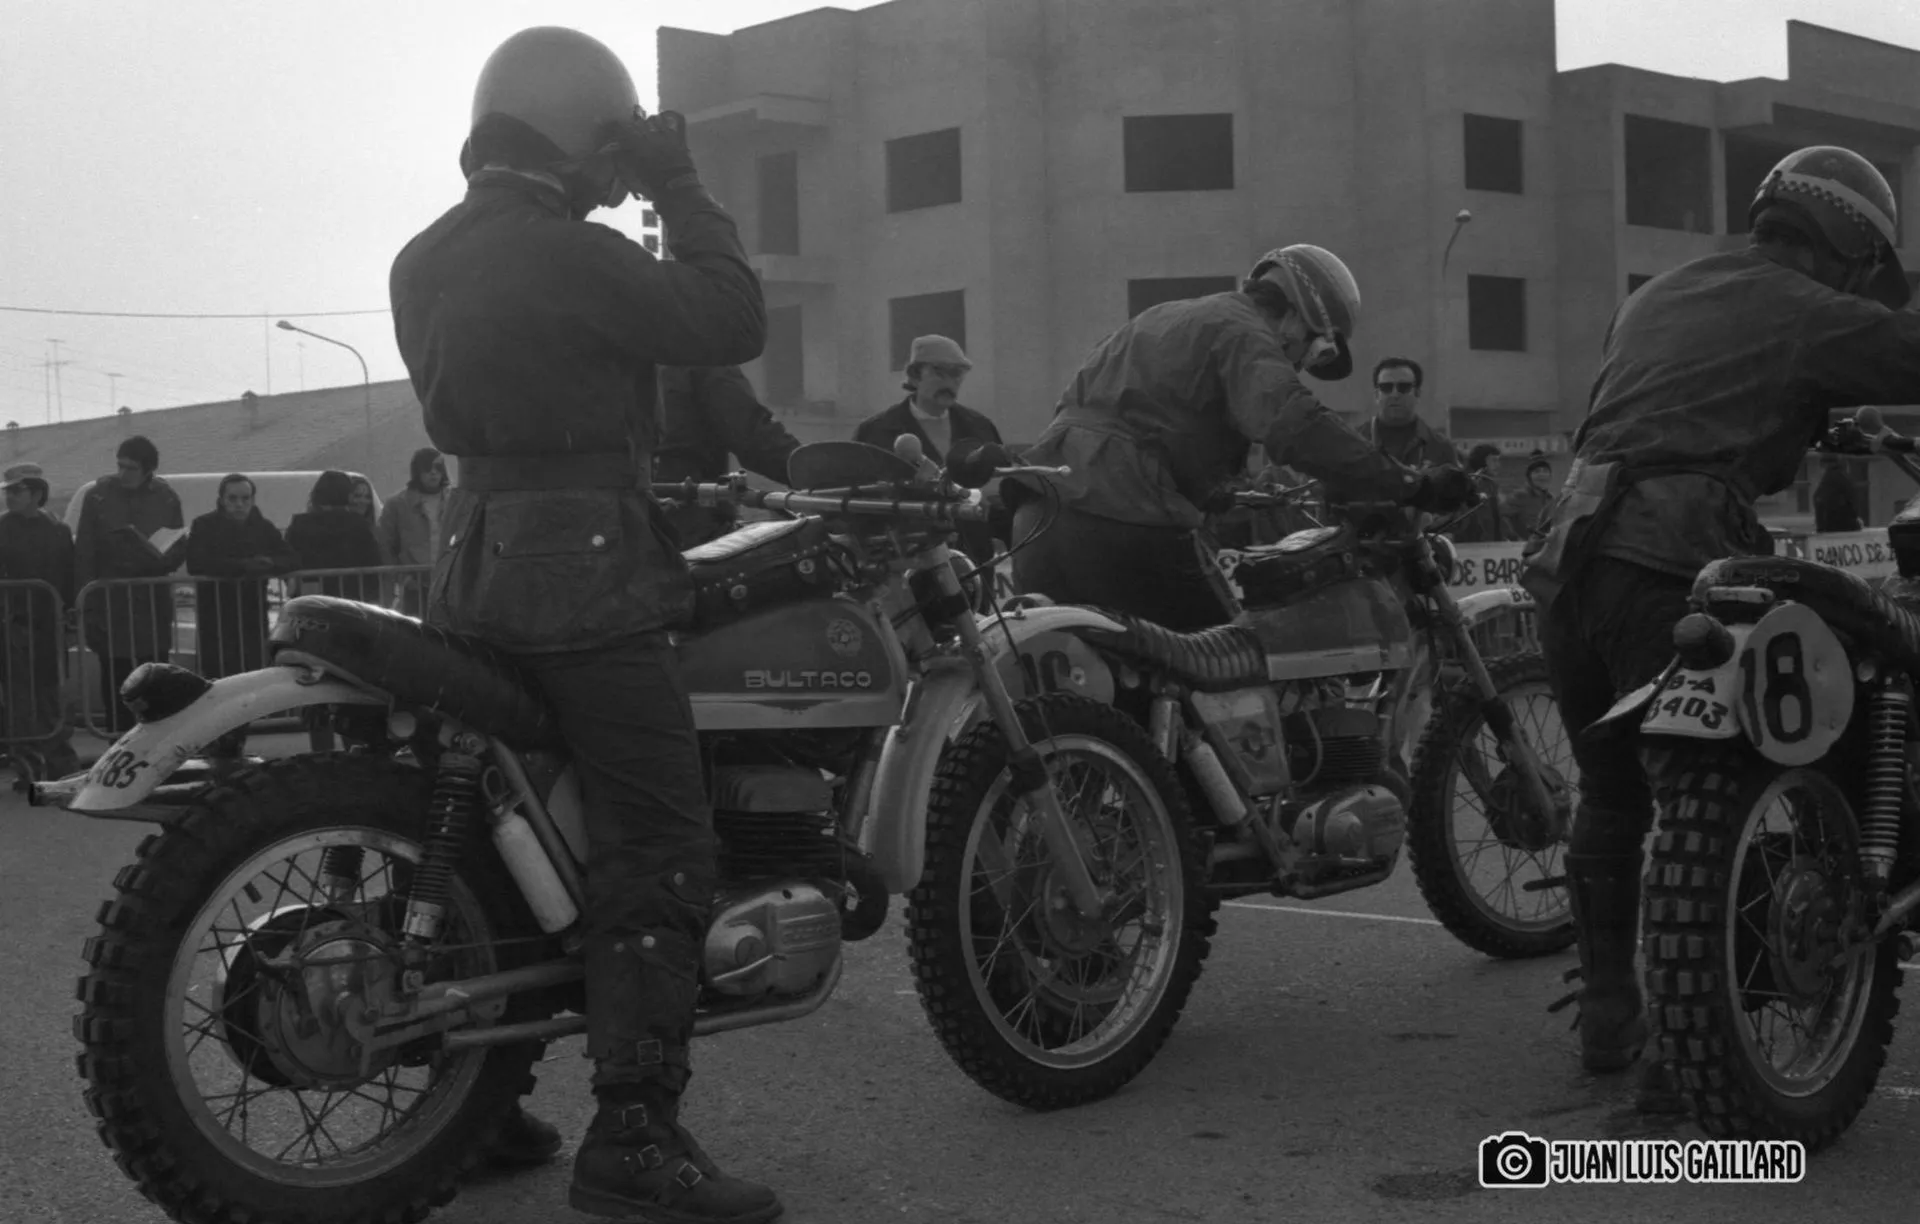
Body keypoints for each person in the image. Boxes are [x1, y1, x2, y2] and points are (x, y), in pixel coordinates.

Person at [388, 26, 777, 1223]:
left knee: (503, 828)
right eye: (610, 150)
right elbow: (732, 316)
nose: (616, 173)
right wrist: (678, 181)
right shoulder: (572, 253)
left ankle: (473, 1096)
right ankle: (636, 1132)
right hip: (585, 575)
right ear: (577, 134)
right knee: (656, 841)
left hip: (472, 563)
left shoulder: (424, 257)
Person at [1517, 145, 1920, 1114]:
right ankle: (1694, 1043)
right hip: (1676, 550)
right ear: (1850, 245)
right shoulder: (1802, 305)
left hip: (1572, 557)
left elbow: (1679, 400)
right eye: (1865, 271)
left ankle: (1611, 1013)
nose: (1859, 289)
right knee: (1735, 782)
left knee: (1612, 792)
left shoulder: (1660, 294)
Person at [1005, 244, 1473, 631]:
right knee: (1236, 667)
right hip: (1123, 516)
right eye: (1312, 351)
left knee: (1098, 692)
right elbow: (1297, 426)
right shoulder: (1243, 332)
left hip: (1039, 517)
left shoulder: (1164, 318)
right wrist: (1411, 484)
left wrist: (1216, 491)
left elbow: (1122, 421)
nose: (1297, 365)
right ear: (1296, 317)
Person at [852, 335, 1009, 568]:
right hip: (906, 562)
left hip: (974, 562)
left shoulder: (979, 427)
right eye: (939, 372)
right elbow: (861, 504)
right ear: (915, 375)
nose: (950, 383)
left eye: (957, 374)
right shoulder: (876, 432)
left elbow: (1003, 494)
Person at [74, 436, 183, 735]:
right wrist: (85, 602)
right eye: (120, 466)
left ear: (148, 470)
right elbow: (84, 552)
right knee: (116, 678)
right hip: (110, 602)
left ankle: (158, 742)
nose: (123, 473)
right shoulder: (98, 496)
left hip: (151, 600)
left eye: (131, 468)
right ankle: (118, 742)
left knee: (156, 677)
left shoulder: (166, 497)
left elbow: (178, 544)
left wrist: (162, 560)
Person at [654, 364, 800, 547]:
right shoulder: (701, 358)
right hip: (687, 521)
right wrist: (813, 470)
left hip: (630, 515)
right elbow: (752, 437)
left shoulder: (626, 356)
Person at [0, 462, 80, 778]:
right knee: (20, 700)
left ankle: (61, 763)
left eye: (17, 491)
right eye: (8, 491)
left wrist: (71, 615)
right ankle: (27, 765)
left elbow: (69, 576)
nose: (9, 496)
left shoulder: (57, 530)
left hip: (49, 626)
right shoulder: (2, 528)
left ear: (36, 493)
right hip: (13, 626)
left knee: (52, 695)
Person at [184, 475, 298, 679]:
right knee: (218, 671)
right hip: (215, 611)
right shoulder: (204, 525)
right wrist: (244, 566)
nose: (239, 504)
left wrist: (270, 563)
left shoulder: (263, 527)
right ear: (221, 499)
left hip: (251, 610)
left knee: (252, 668)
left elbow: (290, 557)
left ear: (253, 499)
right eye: (233, 498)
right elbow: (196, 562)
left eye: (245, 498)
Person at [287, 471, 386, 602]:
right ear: (346, 495)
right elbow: (373, 561)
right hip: (351, 594)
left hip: (311, 594)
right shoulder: (357, 524)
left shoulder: (300, 524)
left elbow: (288, 557)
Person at [378, 448, 448, 615]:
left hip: (449, 582)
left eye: (438, 468)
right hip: (416, 585)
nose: (433, 473)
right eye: (427, 468)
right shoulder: (397, 505)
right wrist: (403, 578)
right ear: (417, 471)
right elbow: (385, 545)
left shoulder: (457, 501)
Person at [1365, 357, 1459, 468]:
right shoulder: (1355, 443)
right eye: (1386, 387)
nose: (1395, 395)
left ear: (1417, 394)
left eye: (1404, 387)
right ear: (1376, 395)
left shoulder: (1441, 448)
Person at [1448, 443, 1507, 543]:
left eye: (1498, 460)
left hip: (1491, 542)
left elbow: (1497, 517)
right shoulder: (1462, 483)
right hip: (1470, 542)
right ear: (1481, 461)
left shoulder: (1491, 485)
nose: (1498, 465)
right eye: (1493, 460)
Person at [1503, 452, 1555, 541]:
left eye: (1545, 471)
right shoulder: (1519, 496)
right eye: (1537, 471)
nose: (1542, 475)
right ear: (1529, 477)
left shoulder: (1551, 500)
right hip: (1522, 546)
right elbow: (1502, 518)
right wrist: (1514, 539)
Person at [1813, 453, 1863, 532]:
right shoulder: (1844, 477)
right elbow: (1853, 500)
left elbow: (1820, 501)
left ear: (1825, 464)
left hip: (1834, 526)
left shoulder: (1829, 479)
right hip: (1848, 525)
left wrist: (1821, 527)